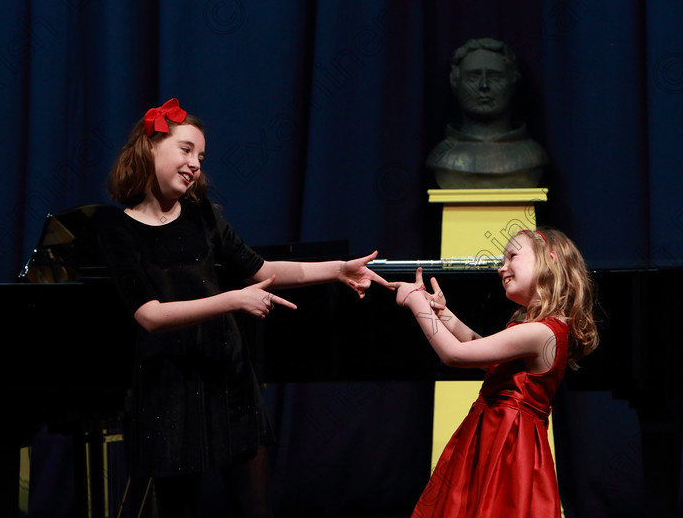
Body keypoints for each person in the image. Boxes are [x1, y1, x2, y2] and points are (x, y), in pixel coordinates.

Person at [96, 98, 390, 517]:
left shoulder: (200, 216)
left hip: (224, 372)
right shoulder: (116, 228)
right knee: (179, 507)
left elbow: (263, 269)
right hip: (168, 386)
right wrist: (234, 300)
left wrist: (337, 269)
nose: (195, 163)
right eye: (185, 150)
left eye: (200, 156)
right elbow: (150, 315)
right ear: (150, 146)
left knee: (254, 507)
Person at [393, 228, 598, 517]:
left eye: (512, 255)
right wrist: (441, 313)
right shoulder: (536, 328)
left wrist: (416, 303)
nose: (502, 266)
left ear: (549, 261)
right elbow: (486, 355)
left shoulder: (541, 332)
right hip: (493, 438)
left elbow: (455, 355)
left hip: (508, 449)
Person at [425, 37, 548, 189]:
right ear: (455, 84)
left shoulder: (534, 156)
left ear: (513, 83)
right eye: (473, 77)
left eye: (495, 77)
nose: (484, 85)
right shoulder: (442, 157)